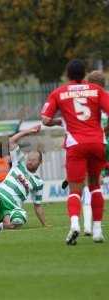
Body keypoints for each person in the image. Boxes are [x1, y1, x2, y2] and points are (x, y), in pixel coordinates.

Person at [41, 59, 109, 245]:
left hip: (75, 145)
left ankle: (74, 225)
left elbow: (45, 119)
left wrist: (61, 120)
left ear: (67, 74)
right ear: (84, 73)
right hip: (97, 142)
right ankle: (97, 230)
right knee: (95, 186)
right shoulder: (96, 90)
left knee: (74, 190)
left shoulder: (59, 93)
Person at [61, 70, 108, 236]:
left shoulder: (87, 98)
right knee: (95, 185)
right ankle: (94, 227)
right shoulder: (102, 96)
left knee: (81, 186)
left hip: (82, 144)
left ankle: (87, 226)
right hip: (101, 145)